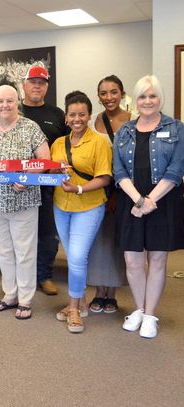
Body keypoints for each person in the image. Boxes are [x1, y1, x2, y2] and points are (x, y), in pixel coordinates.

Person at [113, 75, 184, 339]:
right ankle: (140, 310)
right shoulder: (125, 130)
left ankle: (150, 314)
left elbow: (176, 169)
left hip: (163, 203)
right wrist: (139, 201)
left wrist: (150, 201)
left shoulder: (176, 128)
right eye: (142, 96)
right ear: (135, 100)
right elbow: (118, 170)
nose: (147, 101)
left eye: (152, 96)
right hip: (131, 202)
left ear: (160, 99)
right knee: (132, 260)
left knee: (156, 259)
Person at [0, 85, 50, 320]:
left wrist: (28, 178)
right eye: (0, 101)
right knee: (4, 251)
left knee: (24, 251)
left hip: (23, 200)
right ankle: (9, 295)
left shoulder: (30, 128)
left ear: (18, 103)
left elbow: (44, 160)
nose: (4, 105)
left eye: (10, 101)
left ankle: (25, 300)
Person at [51, 91, 112, 333]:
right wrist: (55, 174)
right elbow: (51, 173)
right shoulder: (57, 144)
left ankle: (74, 308)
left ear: (88, 116)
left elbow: (105, 177)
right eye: (72, 114)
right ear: (66, 117)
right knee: (73, 257)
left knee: (76, 258)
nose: (77, 118)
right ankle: (82, 301)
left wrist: (78, 188)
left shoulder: (99, 142)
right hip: (61, 206)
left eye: (82, 114)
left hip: (89, 206)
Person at [87, 75, 135, 313]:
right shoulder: (96, 120)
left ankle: (113, 293)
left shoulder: (133, 120)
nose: (109, 98)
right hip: (99, 189)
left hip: (124, 191)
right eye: (104, 93)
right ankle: (98, 291)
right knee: (97, 241)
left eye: (113, 92)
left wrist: (118, 194)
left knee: (116, 241)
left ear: (122, 93)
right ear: (98, 97)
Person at [21, 66, 68, 296]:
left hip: (48, 184)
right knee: (22, 234)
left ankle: (44, 276)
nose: (37, 85)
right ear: (24, 85)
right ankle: (24, 277)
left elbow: (66, 145)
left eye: (42, 82)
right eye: (33, 81)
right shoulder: (13, 110)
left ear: (47, 86)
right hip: (18, 185)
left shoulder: (57, 114)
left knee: (48, 234)